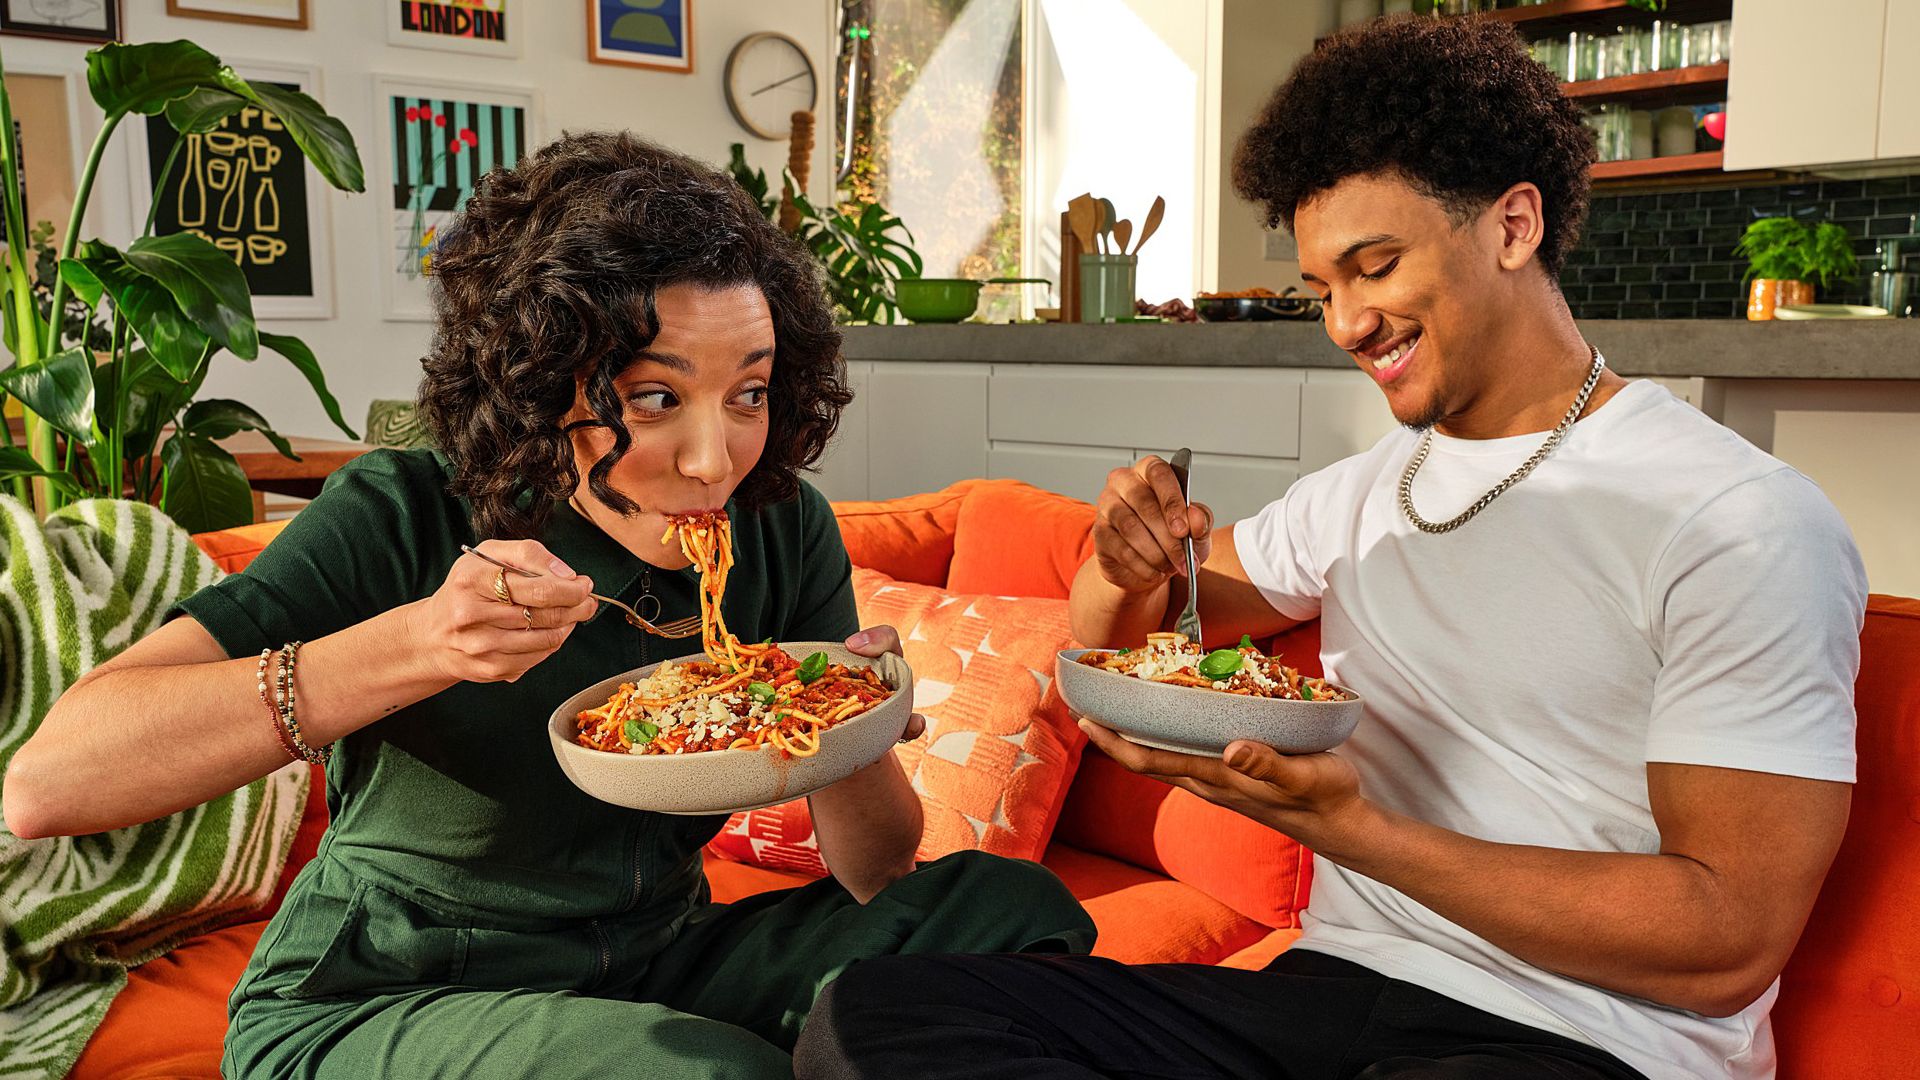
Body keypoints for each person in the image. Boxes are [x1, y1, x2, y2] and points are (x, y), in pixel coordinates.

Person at [796, 17, 1863, 1080]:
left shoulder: (1736, 518)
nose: (1346, 323)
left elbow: (1727, 942)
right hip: (1329, 994)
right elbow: (1134, 635)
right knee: (871, 1019)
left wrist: (1353, 832)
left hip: (1588, 1039)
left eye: (1376, 266)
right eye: (1322, 289)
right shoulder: (1358, 495)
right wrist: (1124, 567)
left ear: (1514, 225)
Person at [4, 132, 1093, 1078]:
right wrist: (418, 644)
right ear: (539, 378)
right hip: (384, 992)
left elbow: (878, 870)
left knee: (1013, 910)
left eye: (750, 393)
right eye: (654, 397)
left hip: (658, 956)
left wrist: (850, 726)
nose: (713, 458)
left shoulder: (778, 526)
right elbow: (47, 785)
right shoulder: (409, 510)